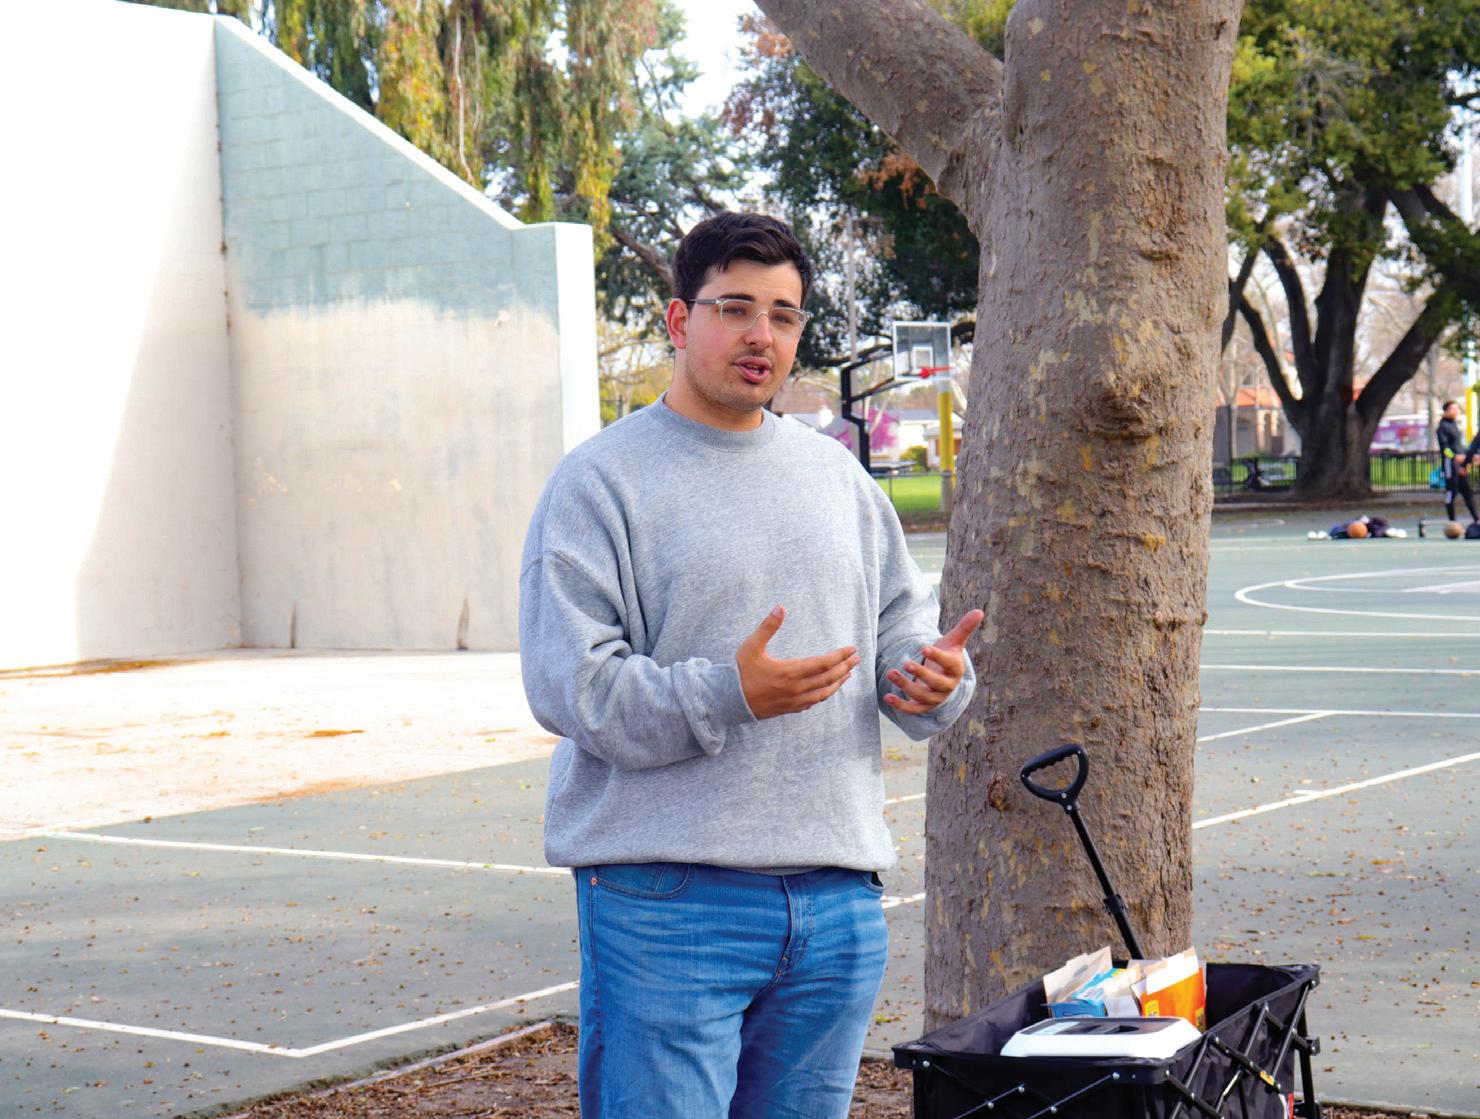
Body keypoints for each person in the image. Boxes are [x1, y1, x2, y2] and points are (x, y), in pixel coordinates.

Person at [518, 211, 982, 1119]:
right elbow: (572, 687)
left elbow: (899, 628)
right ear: (677, 319)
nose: (761, 335)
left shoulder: (840, 478)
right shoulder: (599, 482)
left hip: (836, 900)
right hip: (668, 898)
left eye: (783, 314)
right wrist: (728, 693)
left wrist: (929, 680)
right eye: (734, 308)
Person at [1435, 400, 1478, 524]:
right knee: (1451, 491)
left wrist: (1468, 458)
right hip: (1450, 464)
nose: (1457, 411)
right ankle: (1452, 520)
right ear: (1447, 411)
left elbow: (1459, 446)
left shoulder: (1455, 425)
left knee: (1467, 491)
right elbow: (1445, 448)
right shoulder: (1443, 427)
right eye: (1455, 409)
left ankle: (1476, 518)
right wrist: (1454, 457)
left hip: (1461, 463)